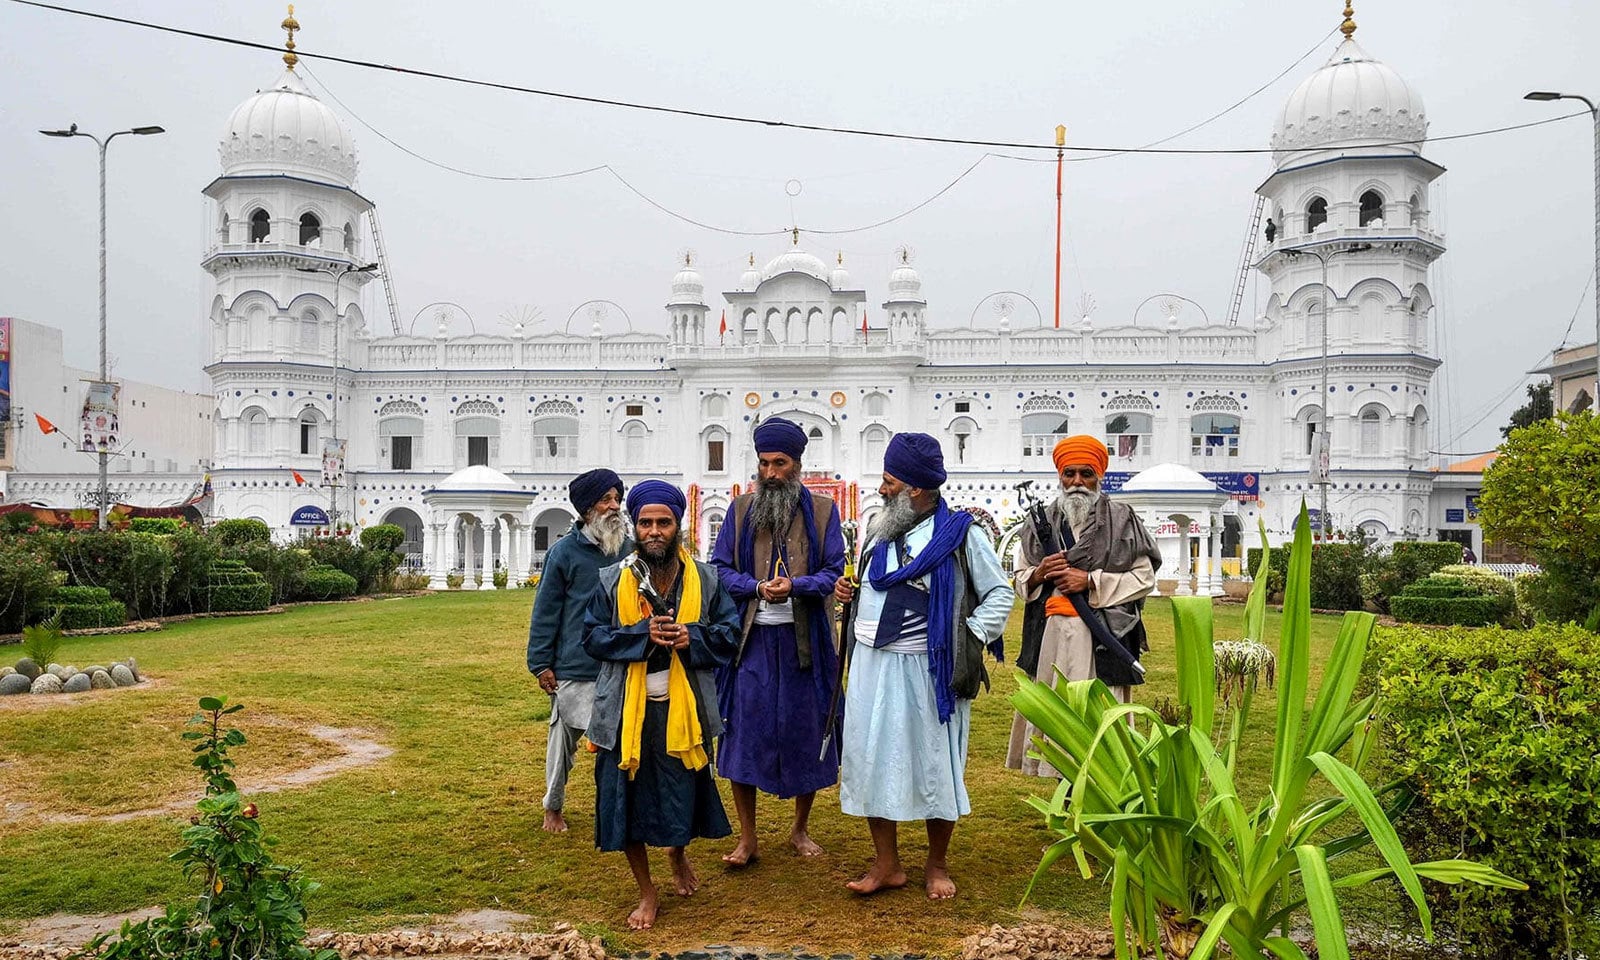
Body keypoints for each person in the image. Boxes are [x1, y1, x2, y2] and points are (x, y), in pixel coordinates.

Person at [832, 432, 1014, 899]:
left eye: (889, 481)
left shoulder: (961, 535)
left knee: (936, 764)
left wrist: (965, 636)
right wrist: (848, 595)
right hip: (872, 664)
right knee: (871, 759)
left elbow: (999, 593)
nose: (882, 488)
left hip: (929, 670)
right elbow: (874, 583)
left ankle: (936, 865)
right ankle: (886, 864)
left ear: (915, 488)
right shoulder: (877, 529)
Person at [582, 479, 739, 931]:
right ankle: (647, 891)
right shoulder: (613, 580)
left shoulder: (705, 579)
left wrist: (695, 637)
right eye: (646, 522)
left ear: (679, 526)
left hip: (683, 711)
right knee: (625, 803)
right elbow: (592, 638)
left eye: (663, 523)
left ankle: (677, 854)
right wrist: (639, 636)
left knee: (680, 797)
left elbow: (729, 635)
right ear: (635, 526)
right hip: (625, 716)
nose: (654, 531)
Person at [711, 417, 846, 864]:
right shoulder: (740, 511)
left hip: (804, 645)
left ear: (798, 465)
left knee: (805, 732)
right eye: (764, 463)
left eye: (780, 463)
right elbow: (720, 569)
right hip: (750, 644)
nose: (770, 473)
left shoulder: (825, 512)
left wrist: (797, 586)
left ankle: (799, 829)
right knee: (743, 733)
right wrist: (754, 587)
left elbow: (832, 571)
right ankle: (747, 837)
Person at [1006, 435, 1161, 777]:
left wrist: (1090, 582)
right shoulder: (1039, 523)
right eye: (1069, 473)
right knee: (1057, 715)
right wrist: (1038, 574)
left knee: (1100, 722)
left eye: (1086, 474)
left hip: (1103, 639)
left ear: (1099, 476)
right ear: (1060, 476)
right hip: (1052, 641)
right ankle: (1062, 799)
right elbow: (1018, 579)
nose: (1077, 482)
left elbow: (1145, 577)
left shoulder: (1122, 520)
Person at [526, 468, 631, 833]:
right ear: (587, 508)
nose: (614, 506)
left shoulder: (629, 550)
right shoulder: (563, 553)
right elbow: (546, 611)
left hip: (622, 663)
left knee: (620, 743)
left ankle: (617, 810)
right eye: (606, 500)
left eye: (617, 498)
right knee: (563, 744)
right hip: (575, 666)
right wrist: (541, 664)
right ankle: (552, 808)